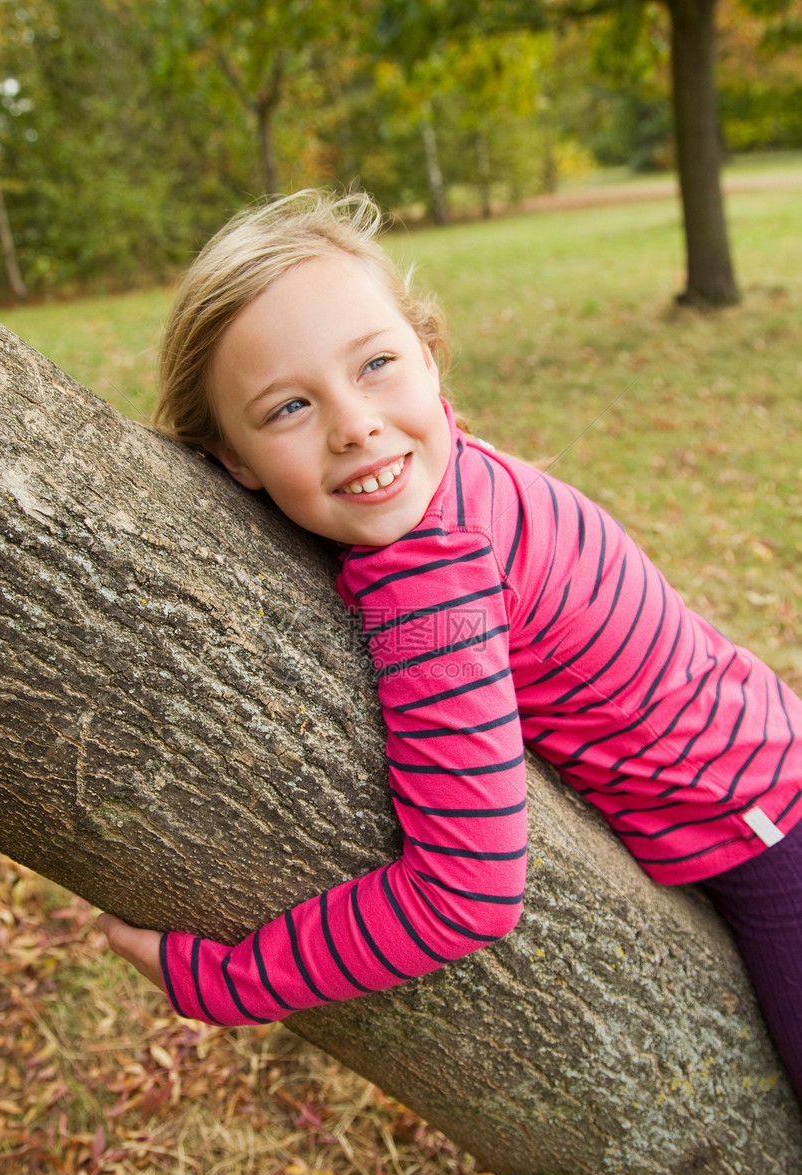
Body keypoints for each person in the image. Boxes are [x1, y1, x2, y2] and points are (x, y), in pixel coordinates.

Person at [97, 189, 802, 1099]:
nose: (354, 423)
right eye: (287, 409)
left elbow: (464, 894)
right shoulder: (454, 473)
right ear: (232, 462)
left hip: (765, 825)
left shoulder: (435, 582)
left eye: (378, 364)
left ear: (430, 359)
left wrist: (226, 981)